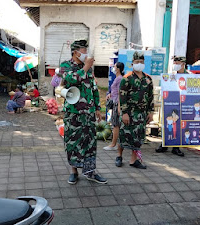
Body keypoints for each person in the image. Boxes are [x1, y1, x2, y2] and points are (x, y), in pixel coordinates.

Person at [60, 40, 106, 184]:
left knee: (90, 142)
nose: (86, 53)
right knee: (73, 142)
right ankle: (74, 171)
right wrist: (86, 67)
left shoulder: (89, 70)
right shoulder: (65, 66)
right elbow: (71, 80)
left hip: (89, 113)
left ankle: (90, 172)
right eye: (84, 51)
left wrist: (97, 108)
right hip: (73, 112)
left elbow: (93, 88)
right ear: (76, 52)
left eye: (86, 50)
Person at [115, 52, 154, 169]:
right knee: (124, 134)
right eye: (137, 62)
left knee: (138, 136)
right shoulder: (127, 79)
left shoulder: (148, 79)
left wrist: (151, 112)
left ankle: (133, 160)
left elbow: (151, 97)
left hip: (141, 113)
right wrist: (124, 113)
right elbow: (122, 97)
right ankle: (119, 156)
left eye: (141, 62)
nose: (139, 64)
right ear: (132, 64)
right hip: (129, 112)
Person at [155, 56, 187, 157]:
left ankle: (176, 147)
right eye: (175, 63)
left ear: (183, 64)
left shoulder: (189, 76)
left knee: (178, 126)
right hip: (171, 103)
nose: (175, 65)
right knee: (167, 124)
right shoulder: (171, 76)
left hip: (183, 103)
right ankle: (164, 144)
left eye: (177, 63)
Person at [104, 62, 124, 151]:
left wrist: (119, 105)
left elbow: (121, 93)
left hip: (117, 103)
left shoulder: (120, 79)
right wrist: (110, 94)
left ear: (118, 69)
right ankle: (115, 143)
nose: (113, 68)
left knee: (116, 124)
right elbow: (115, 91)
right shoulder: (117, 78)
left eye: (114, 66)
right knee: (115, 123)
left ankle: (113, 144)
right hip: (114, 101)